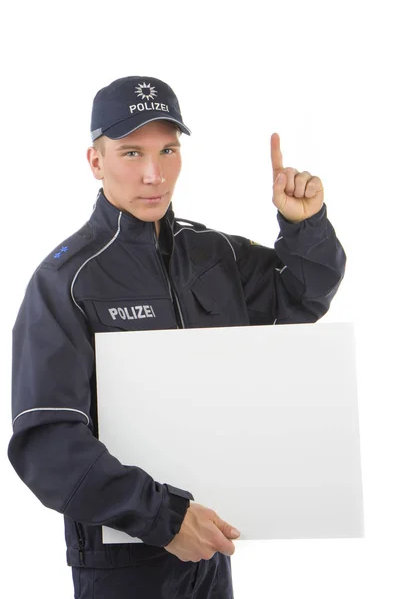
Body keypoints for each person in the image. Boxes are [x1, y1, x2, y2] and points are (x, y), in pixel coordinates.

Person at [8, 75, 346, 599]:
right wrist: (165, 518)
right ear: (96, 162)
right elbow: (46, 445)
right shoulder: (65, 281)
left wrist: (304, 225)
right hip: (122, 564)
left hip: (211, 547)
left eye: (168, 149)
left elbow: (301, 300)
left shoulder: (214, 254)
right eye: (130, 152)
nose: (153, 173)